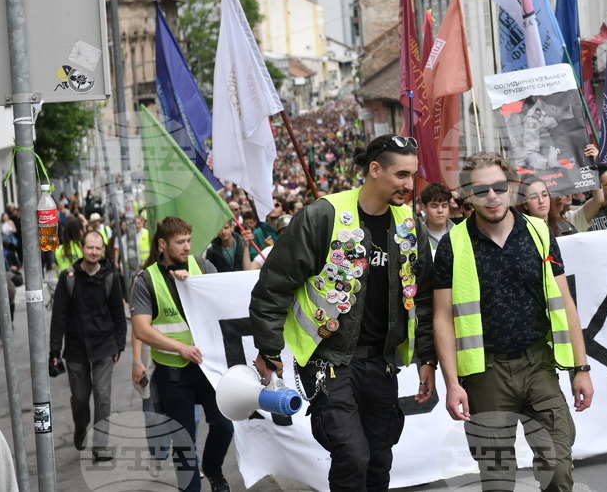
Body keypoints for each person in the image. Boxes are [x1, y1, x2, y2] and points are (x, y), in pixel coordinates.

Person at [249, 135, 436, 492]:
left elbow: (422, 298)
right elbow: (274, 285)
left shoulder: (410, 225)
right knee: (352, 455)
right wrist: (269, 349)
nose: (409, 185)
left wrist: (427, 356)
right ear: (374, 170)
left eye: (413, 175)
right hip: (329, 362)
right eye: (400, 175)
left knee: (380, 459)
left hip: (381, 363)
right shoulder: (322, 215)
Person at [433, 152, 593, 491]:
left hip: (539, 365)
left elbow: (565, 302)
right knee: (498, 480)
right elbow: (443, 318)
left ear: (512, 188)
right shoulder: (453, 245)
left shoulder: (539, 233)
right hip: (484, 373)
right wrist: (452, 383)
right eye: (481, 190)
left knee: (558, 471)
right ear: (467, 195)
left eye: (499, 187)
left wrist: (582, 368)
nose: (492, 195)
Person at [130, 217, 233, 492]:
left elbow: (224, 304)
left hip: (208, 367)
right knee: (184, 441)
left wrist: (193, 288)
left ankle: (212, 468)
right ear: (162, 244)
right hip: (173, 373)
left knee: (225, 426)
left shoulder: (203, 267)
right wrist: (180, 348)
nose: (187, 246)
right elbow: (141, 329)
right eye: (180, 242)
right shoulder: (145, 279)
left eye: (189, 240)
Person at [49, 231, 126, 461]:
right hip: (75, 347)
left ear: (102, 250)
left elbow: (118, 314)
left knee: (102, 396)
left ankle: (100, 445)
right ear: (82, 248)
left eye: (98, 248)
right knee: (80, 398)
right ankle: (81, 428)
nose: (94, 252)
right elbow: (59, 317)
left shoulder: (111, 276)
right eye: (90, 247)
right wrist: (55, 350)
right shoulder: (68, 277)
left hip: (104, 345)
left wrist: (119, 345)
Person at [420, 182, 455, 259]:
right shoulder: (416, 234)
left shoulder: (460, 233)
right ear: (424, 207)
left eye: (444, 206)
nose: (440, 210)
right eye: (434, 206)